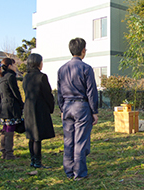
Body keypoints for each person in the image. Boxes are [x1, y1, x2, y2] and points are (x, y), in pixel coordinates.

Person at [58, 38, 98, 180]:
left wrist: (62, 108)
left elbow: (59, 91)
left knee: (68, 140)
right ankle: (79, 173)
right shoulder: (86, 68)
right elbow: (91, 92)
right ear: (82, 51)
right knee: (80, 141)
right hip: (81, 106)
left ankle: (69, 171)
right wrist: (94, 111)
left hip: (67, 105)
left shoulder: (62, 69)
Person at [23, 53, 55, 168]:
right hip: (39, 108)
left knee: (31, 136)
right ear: (37, 63)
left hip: (28, 108)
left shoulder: (26, 77)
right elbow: (47, 94)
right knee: (37, 137)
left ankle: (33, 160)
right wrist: (51, 107)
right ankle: (37, 162)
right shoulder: (42, 76)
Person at [0, 58, 24, 159]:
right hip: (11, 107)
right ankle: (9, 153)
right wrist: (22, 104)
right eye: (13, 64)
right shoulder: (10, 76)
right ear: (9, 66)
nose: (15, 66)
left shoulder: (1, 77)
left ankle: (3, 151)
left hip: (3, 106)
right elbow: (15, 92)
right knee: (10, 129)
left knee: (5, 128)